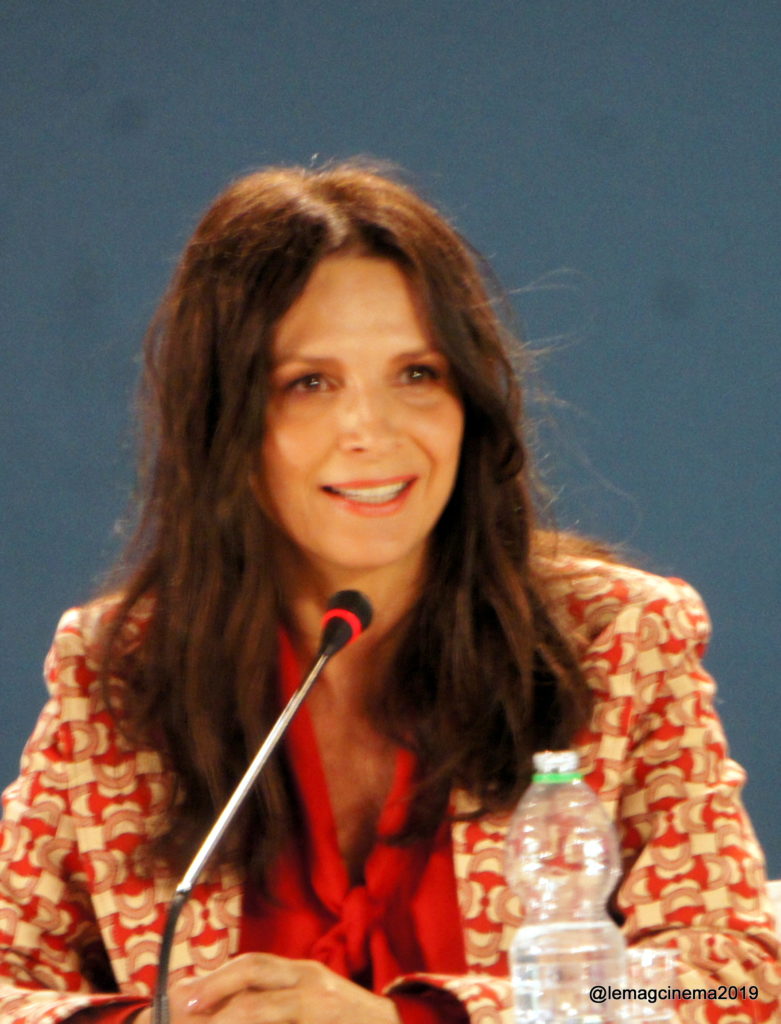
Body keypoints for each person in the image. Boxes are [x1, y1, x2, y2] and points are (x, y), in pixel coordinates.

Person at [0, 163, 778, 1024]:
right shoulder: (124, 671)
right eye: (309, 383)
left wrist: (412, 1022)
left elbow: (736, 981)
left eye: (417, 374)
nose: (371, 431)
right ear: (224, 421)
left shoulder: (614, 639)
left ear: (468, 401)